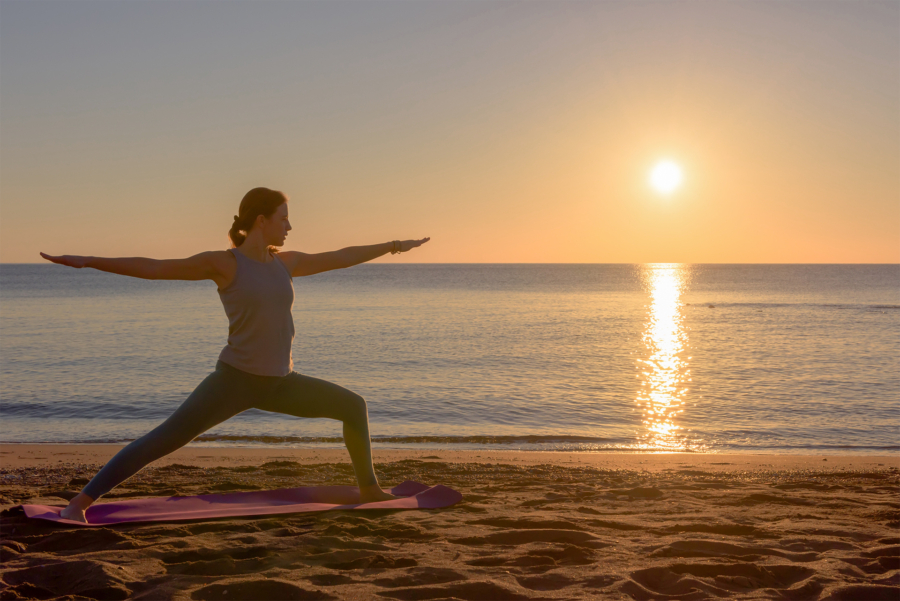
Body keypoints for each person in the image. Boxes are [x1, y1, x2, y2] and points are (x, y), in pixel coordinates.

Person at [39, 187, 430, 523]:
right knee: (163, 439)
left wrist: (393, 245)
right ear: (261, 220)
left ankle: (370, 489)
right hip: (235, 380)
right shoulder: (225, 263)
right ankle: (79, 503)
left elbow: (343, 255)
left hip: (281, 382)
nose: (289, 226)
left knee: (352, 405)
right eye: (284, 218)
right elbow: (156, 267)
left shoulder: (286, 263)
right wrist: (89, 260)